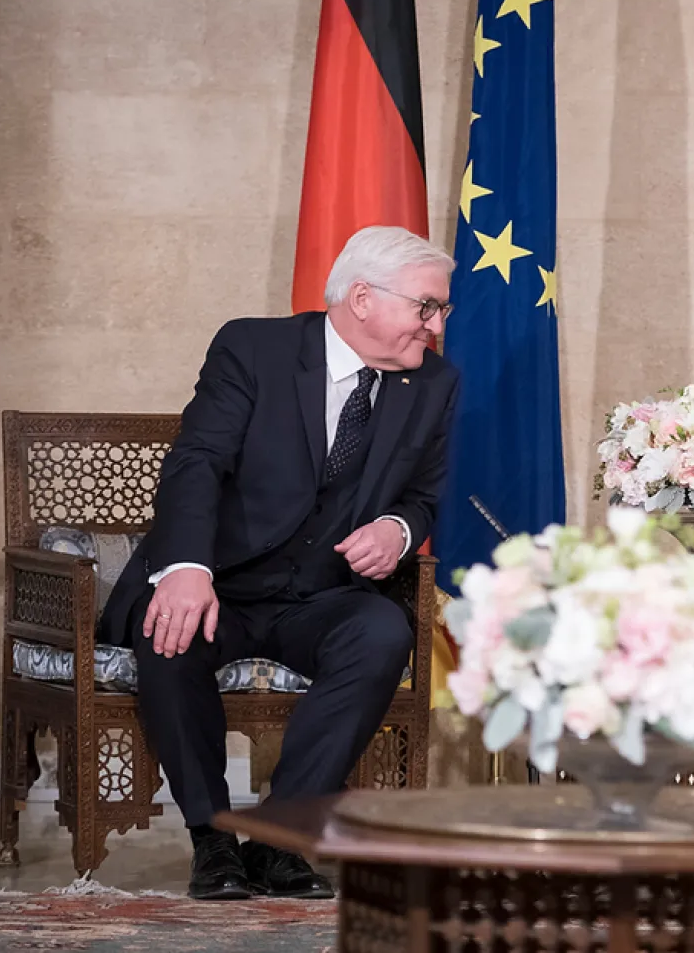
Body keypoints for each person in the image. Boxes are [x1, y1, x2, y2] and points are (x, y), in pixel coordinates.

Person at [99, 226, 460, 900]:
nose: (436, 327)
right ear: (361, 298)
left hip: (319, 596)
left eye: (440, 311)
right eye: (426, 307)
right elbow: (196, 462)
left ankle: (278, 837)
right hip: (223, 587)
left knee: (382, 632)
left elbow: (424, 496)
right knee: (166, 632)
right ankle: (212, 840)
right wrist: (183, 567)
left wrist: (398, 528)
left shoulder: (433, 382)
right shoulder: (254, 348)